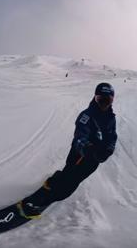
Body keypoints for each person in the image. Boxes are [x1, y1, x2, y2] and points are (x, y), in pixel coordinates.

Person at [17, 82, 118, 219]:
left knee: (72, 180)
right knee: (68, 185)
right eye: (101, 100)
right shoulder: (87, 116)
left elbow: (112, 136)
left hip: (93, 160)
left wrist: (108, 150)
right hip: (80, 155)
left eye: (107, 101)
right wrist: (88, 148)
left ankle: (54, 183)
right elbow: (79, 137)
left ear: (112, 100)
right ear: (95, 98)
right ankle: (40, 202)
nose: (104, 105)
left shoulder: (111, 118)